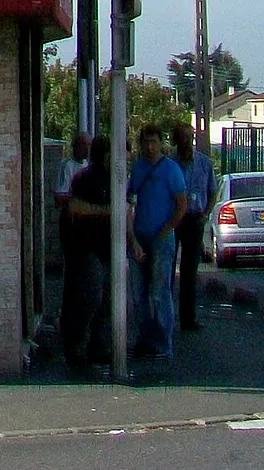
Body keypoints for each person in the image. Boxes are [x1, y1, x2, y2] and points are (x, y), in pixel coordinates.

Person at [127, 123, 188, 359]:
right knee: (140, 292)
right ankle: (145, 340)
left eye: (154, 142)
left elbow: (182, 205)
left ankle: (163, 343)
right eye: (147, 142)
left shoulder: (171, 170)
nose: (151, 147)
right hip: (140, 236)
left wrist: (165, 230)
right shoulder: (139, 168)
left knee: (160, 291)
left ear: (161, 143)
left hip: (162, 238)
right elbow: (130, 202)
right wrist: (133, 239)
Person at [61, 135, 114, 372]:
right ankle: (77, 347)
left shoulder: (115, 180)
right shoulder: (85, 179)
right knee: (88, 298)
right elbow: (74, 207)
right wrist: (105, 211)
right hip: (85, 247)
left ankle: (99, 347)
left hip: (106, 247)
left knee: (105, 300)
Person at [174, 124, 217, 333]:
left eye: (188, 138)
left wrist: (206, 214)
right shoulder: (170, 163)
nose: (185, 142)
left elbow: (213, 191)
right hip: (173, 219)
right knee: (166, 267)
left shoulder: (204, 163)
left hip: (194, 219)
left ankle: (188, 318)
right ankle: (164, 317)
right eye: (181, 138)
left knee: (189, 272)